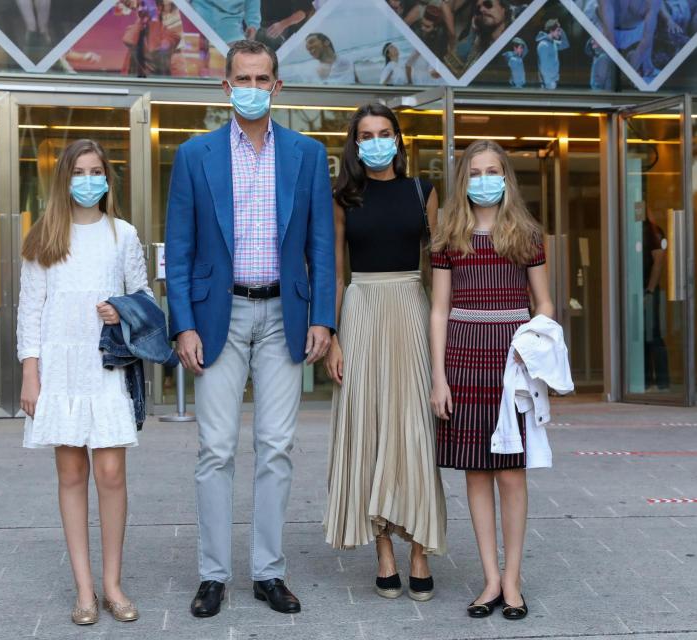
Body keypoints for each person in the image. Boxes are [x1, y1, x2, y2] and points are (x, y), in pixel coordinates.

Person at [165, 39, 335, 619]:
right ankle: (213, 575)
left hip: (285, 314)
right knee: (214, 449)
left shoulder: (308, 155)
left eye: (264, 79)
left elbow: (320, 245)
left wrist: (323, 317)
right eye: (244, 79)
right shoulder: (195, 156)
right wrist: (182, 324)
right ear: (226, 86)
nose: (254, 89)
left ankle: (268, 572)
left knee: (276, 448)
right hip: (219, 318)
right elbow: (181, 249)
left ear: (278, 87)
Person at [17, 139, 151, 626]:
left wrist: (123, 309)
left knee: (111, 474)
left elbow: (144, 296)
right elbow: (29, 310)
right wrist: (31, 373)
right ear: (64, 179)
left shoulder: (123, 234)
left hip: (106, 366)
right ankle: (85, 590)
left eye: (97, 171)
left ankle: (114, 583)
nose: (89, 180)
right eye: (79, 171)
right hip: (60, 367)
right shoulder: (44, 237)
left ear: (108, 178)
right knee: (71, 474)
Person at [324, 103, 447, 601]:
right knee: (369, 428)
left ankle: (419, 545)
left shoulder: (424, 191)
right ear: (355, 143)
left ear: (399, 138)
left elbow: (440, 266)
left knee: (414, 427)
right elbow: (335, 271)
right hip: (360, 311)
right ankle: (384, 552)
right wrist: (332, 335)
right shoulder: (343, 197)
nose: (375, 141)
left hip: (410, 307)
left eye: (384, 132)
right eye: (365, 134)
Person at [430, 139, 553, 621]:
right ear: (464, 179)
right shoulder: (448, 235)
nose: (484, 178)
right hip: (462, 359)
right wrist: (438, 376)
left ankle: (514, 581)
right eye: (476, 171)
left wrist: (535, 354)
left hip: (513, 364)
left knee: (510, 472)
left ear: (506, 177)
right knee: (476, 471)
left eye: (493, 170)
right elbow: (439, 310)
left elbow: (543, 303)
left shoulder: (526, 234)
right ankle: (490, 579)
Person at [642, 213, 670, 390]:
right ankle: (646, 382)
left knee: (654, 335)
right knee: (640, 337)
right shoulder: (636, 230)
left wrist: (650, 291)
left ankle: (662, 382)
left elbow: (659, 260)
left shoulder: (652, 231)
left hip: (648, 292)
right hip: (637, 292)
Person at [191, 0, 260, 44]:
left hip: (231, 27)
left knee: (239, 58)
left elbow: (252, 4)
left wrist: (253, 25)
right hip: (197, 20)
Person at [535, 18, 569, 89]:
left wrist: (560, 29)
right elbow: (543, 68)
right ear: (551, 31)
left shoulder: (553, 42)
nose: (559, 34)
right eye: (558, 31)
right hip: (548, 83)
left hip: (553, 81)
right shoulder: (544, 45)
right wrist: (549, 84)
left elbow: (565, 44)